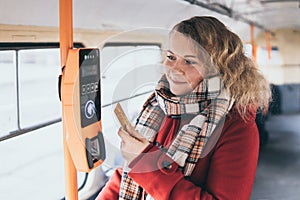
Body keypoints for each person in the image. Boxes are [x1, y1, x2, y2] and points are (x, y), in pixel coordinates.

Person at [96, 16, 271, 200]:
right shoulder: (158, 106)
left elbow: (140, 164)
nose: (174, 68)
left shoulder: (237, 126)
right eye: (171, 57)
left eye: (189, 61)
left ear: (217, 69)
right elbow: (127, 173)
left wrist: (144, 162)